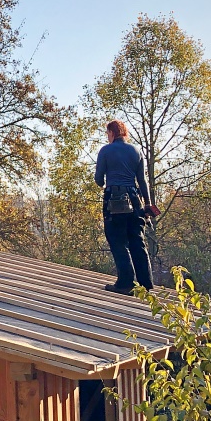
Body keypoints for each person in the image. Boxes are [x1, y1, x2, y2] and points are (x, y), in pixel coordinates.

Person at [94, 119, 154, 293]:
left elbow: (99, 179)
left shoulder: (106, 150)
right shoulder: (136, 151)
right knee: (137, 240)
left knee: (118, 240)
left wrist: (105, 181)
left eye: (107, 133)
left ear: (112, 133)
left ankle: (125, 283)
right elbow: (142, 180)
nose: (107, 137)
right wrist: (148, 203)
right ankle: (145, 284)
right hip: (136, 201)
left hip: (115, 200)